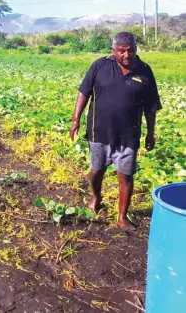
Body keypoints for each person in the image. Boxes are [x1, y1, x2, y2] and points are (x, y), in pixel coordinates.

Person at [69, 32, 162, 229]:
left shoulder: (144, 71)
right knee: (96, 171)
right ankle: (96, 196)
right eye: (121, 51)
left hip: (129, 134)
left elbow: (151, 106)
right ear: (114, 51)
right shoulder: (100, 65)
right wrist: (75, 119)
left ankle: (122, 217)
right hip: (99, 130)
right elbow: (84, 92)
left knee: (126, 176)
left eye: (130, 50)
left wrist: (151, 132)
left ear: (136, 50)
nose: (126, 55)